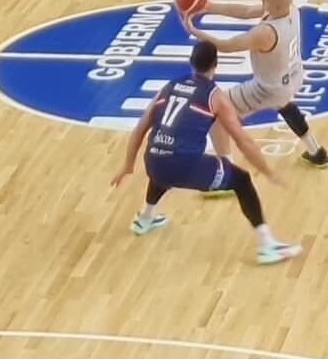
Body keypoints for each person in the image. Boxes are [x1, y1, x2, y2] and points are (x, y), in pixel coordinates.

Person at [117, 39, 304, 264]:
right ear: (216, 64)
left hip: (153, 163)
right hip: (184, 165)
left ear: (190, 62)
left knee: (163, 153)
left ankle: (145, 217)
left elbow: (139, 130)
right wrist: (266, 171)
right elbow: (243, 141)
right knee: (242, 180)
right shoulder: (215, 96)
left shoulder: (169, 87)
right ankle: (268, 245)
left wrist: (128, 166)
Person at [183, 0, 328, 168]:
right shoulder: (292, 10)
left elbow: (226, 46)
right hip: (293, 76)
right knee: (284, 104)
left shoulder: (266, 33)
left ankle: (228, 173)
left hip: (267, 89)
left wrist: (194, 31)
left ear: (276, 6)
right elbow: (246, 11)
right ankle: (316, 151)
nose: (262, 0)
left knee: (216, 114)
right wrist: (209, 6)